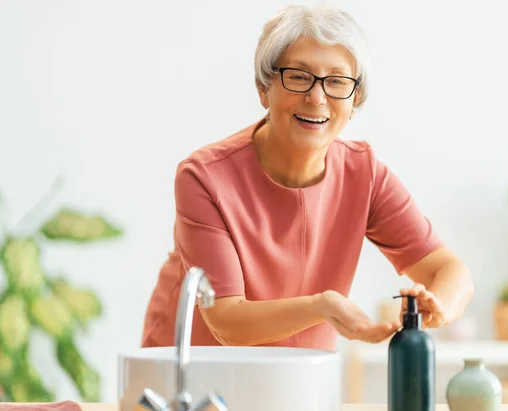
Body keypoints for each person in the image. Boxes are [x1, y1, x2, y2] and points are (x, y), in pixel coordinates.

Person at [141, 5, 473, 351]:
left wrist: (438, 307)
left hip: (296, 374)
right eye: (298, 76)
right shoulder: (205, 177)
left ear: (355, 97)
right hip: (190, 372)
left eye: (337, 81)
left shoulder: (365, 175)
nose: (317, 97)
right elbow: (226, 320)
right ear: (263, 89)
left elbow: (450, 271)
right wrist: (322, 305)